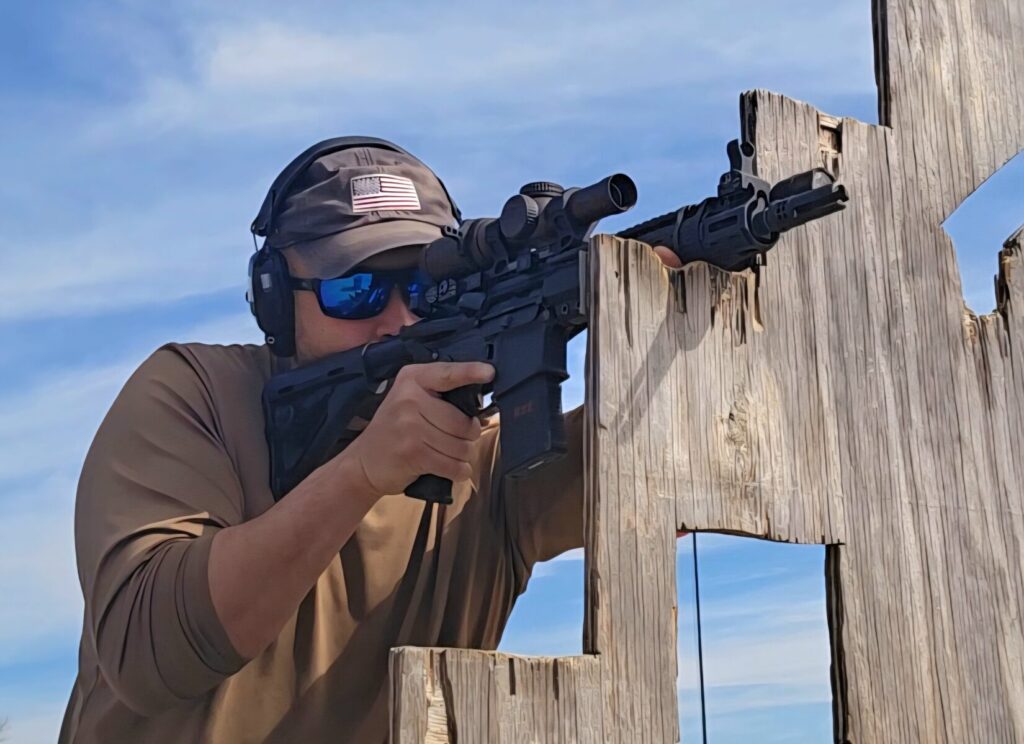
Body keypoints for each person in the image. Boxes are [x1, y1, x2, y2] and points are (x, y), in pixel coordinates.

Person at [59, 138, 681, 743]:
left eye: (419, 288)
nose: (396, 320)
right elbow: (149, 653)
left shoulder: (488, 452)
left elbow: (672, 476)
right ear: (277, 300)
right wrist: (363, 473)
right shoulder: (197, 395)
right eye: (353, 290)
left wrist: (673, 322)